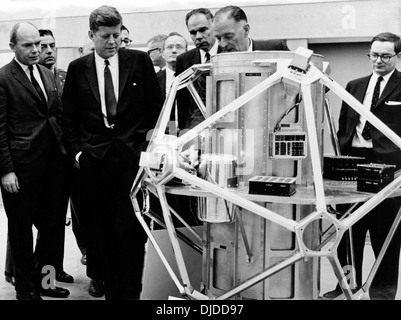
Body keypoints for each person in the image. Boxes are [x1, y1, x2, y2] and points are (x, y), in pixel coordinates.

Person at [62, 5, 163, 300]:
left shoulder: (139, 61)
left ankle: (130, 290)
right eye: (105, 36)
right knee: (99, 229)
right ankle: (104, 282)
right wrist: (78, 155)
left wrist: (146, 148)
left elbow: (155, 110)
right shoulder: (78, 68)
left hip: (131, 160)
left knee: (130, 230)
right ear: (92, 35)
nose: (112, 42)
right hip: (94, 161)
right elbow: (69, 118)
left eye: (117, 35)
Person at [323, 32, 401, 300]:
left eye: (385, 56)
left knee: (386, 236)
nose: (378, 60)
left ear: (397, 56)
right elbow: (345, 125)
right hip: (353, 166)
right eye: (373, 55)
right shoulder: (354, 85)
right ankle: (345, 287)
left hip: (389, 170)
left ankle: (383, 292)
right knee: (348, 232)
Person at [0, 22, 70, 300]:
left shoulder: (46, 73)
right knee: (21, 230)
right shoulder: (4, 78)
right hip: (21, 169)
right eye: (28, 45)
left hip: (53, 166)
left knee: (52, 228)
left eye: (38, 45)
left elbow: (56, 116)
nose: (35, 50)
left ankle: (46, 282)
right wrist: (6, 170)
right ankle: (26, 289)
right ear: (13, 47)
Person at [176, 8, 223, 131]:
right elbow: (183, 102)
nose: (198, 37)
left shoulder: (228, 53)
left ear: (214, 27)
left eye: (203, 30)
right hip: (195, 128)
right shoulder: (183, 60)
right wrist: (183, 130)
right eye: (193, 32)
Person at [212, 5, 289, 53]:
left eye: (228, 36)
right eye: (218, 38)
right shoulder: (213, 65)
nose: (222, 44)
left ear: (246, 30)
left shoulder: (277, 49)